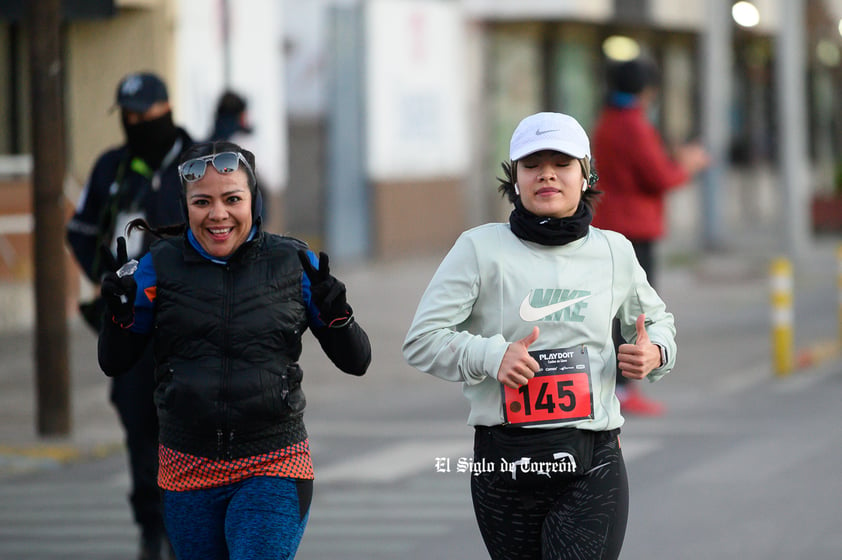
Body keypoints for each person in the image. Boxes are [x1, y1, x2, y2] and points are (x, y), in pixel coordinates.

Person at [403, 112, 676, 559]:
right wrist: (492, 356)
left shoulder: (614, 251)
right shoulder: (479, 248)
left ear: (587, 174)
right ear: (514, 178)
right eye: (532, 165)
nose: (546, 174)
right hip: (504, 462)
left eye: (562, 163)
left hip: (593, 459)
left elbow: (657, 323)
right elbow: (422, 340)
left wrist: (655, 351)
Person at [97, 141, 371, 560]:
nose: (218, 214)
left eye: (232, 199)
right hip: (186, 466)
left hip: (273, 463)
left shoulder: (294, 263)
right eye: (202, 201)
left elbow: (357, 361)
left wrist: (338, 315)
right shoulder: (159, 265)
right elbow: (114, 361)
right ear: (186, 205)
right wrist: (116, 317)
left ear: (254, 200)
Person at [66, 71, 193, 560]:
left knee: (192, 428)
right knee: (142, 430)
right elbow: (79, 231)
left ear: (167, 108)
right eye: (128, 115)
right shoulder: (112, 168)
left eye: (145, 114)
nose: (136, 123)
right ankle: (150, 530)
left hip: (190, 326)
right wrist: (110, 283)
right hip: (132, 327)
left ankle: (191, 527)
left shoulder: (202, 161)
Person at [591, 58, 709, 416]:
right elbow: (659, 177)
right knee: (636, 312)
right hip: (635, 228)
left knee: (615, 310)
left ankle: (619, 387)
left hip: (609, 222)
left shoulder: (606, 122)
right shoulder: (634, 126)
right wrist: (689, 164)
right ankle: (625, 389)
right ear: (646, 91)